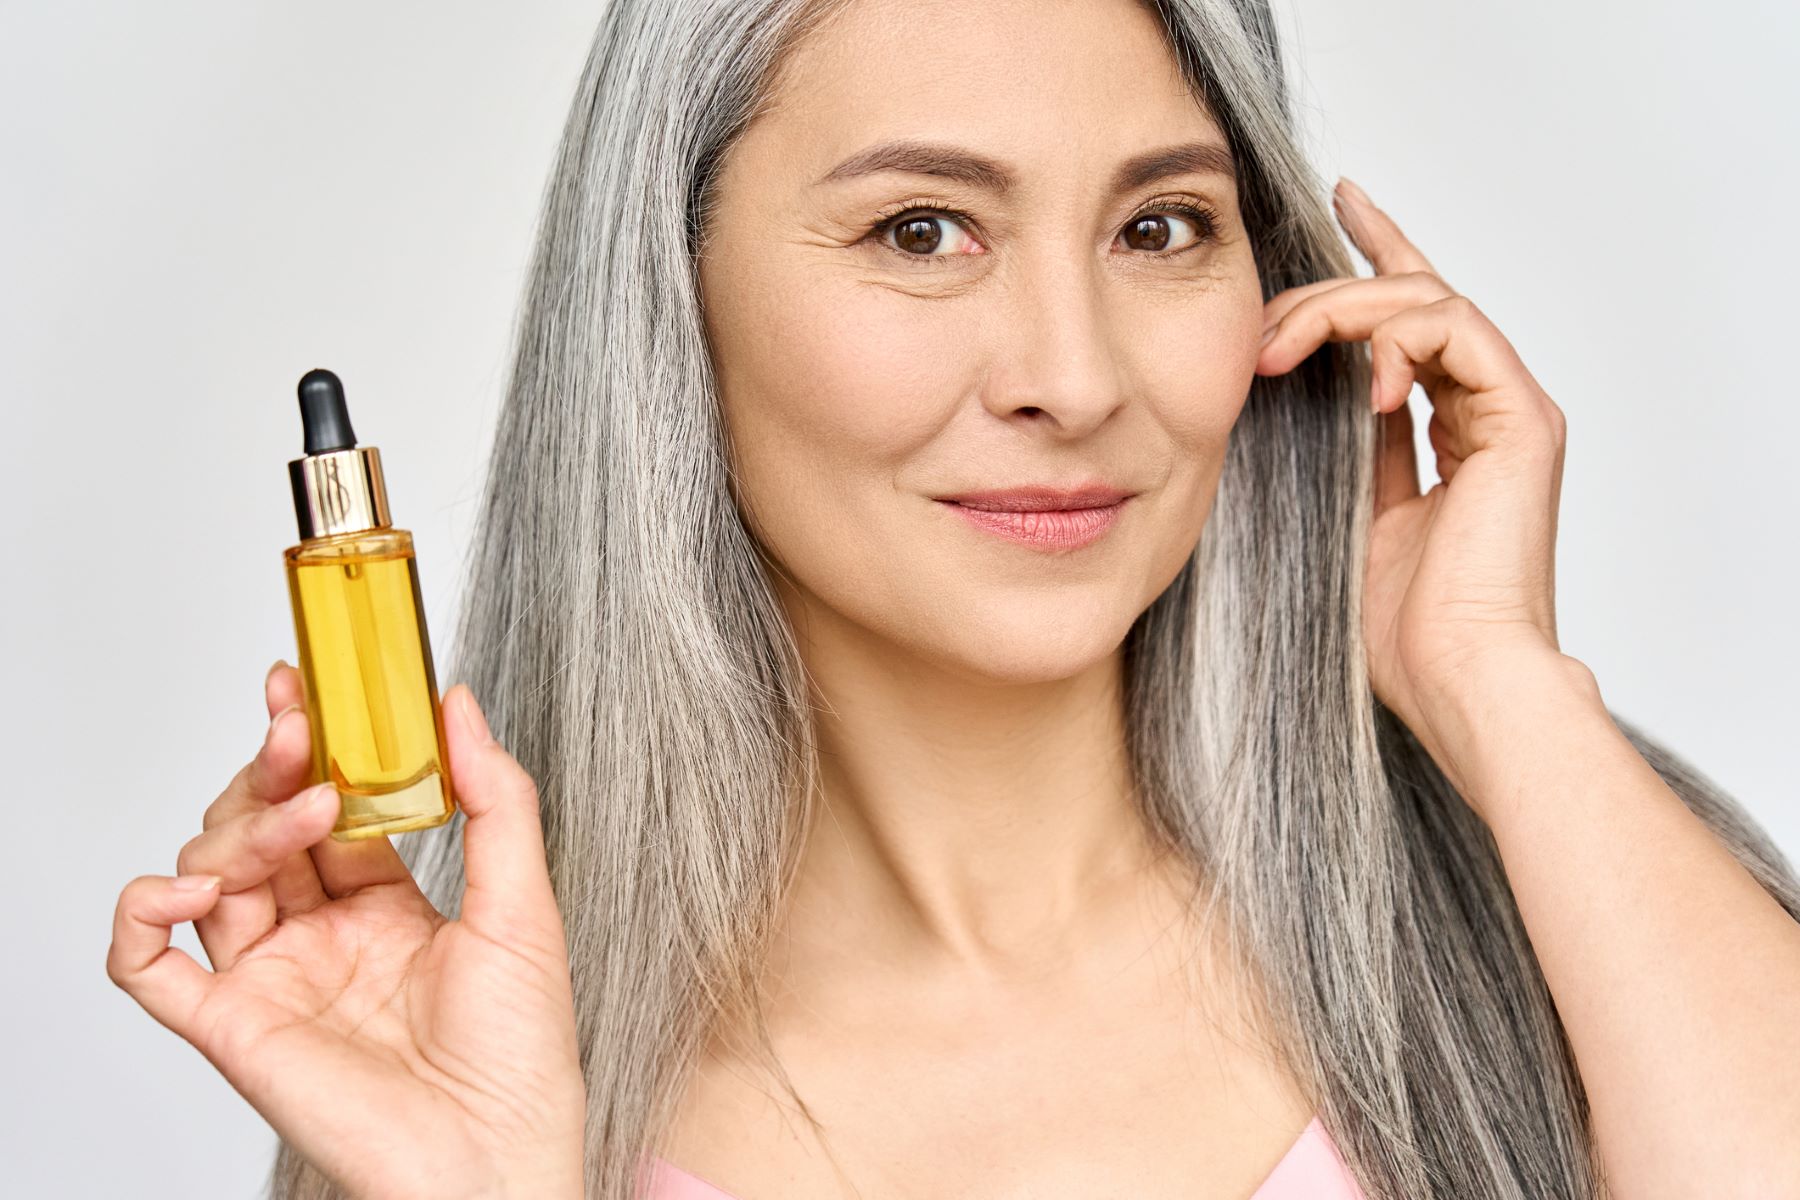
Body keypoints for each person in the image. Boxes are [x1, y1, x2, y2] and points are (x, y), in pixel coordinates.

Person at [107, 0, 1800, 1197]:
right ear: (669, 305)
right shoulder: (495, 1064)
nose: (1072, 377)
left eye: (1160, 228)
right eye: (924, 230)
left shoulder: (1570, 898)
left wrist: (1500, 685)